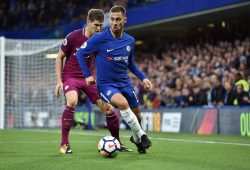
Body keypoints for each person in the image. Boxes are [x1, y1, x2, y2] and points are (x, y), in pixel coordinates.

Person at [54, 9, 132, 154]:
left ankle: (118, 143)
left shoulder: (101, 39)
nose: (98, 28)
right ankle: (64, 144)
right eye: (96, 25)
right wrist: (59, 81)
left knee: (108, 109)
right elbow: (59, 57)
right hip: (71, 77)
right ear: (88, 22)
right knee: (72, 101)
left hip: (89, 79)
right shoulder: (73, 37)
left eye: (101, 25)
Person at [76, 6, 152, 154]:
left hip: (125, 83)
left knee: (138, 115)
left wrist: (143, 77)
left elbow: (130, 64)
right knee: (123, 104)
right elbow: (80, 53)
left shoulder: (130, 40)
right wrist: (87, 75)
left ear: (124, 20)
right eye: (112, 19)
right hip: (106, 85)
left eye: (118, 19)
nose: (114, 22)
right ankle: (142, 136)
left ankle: (136, 141)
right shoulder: (100, 38)